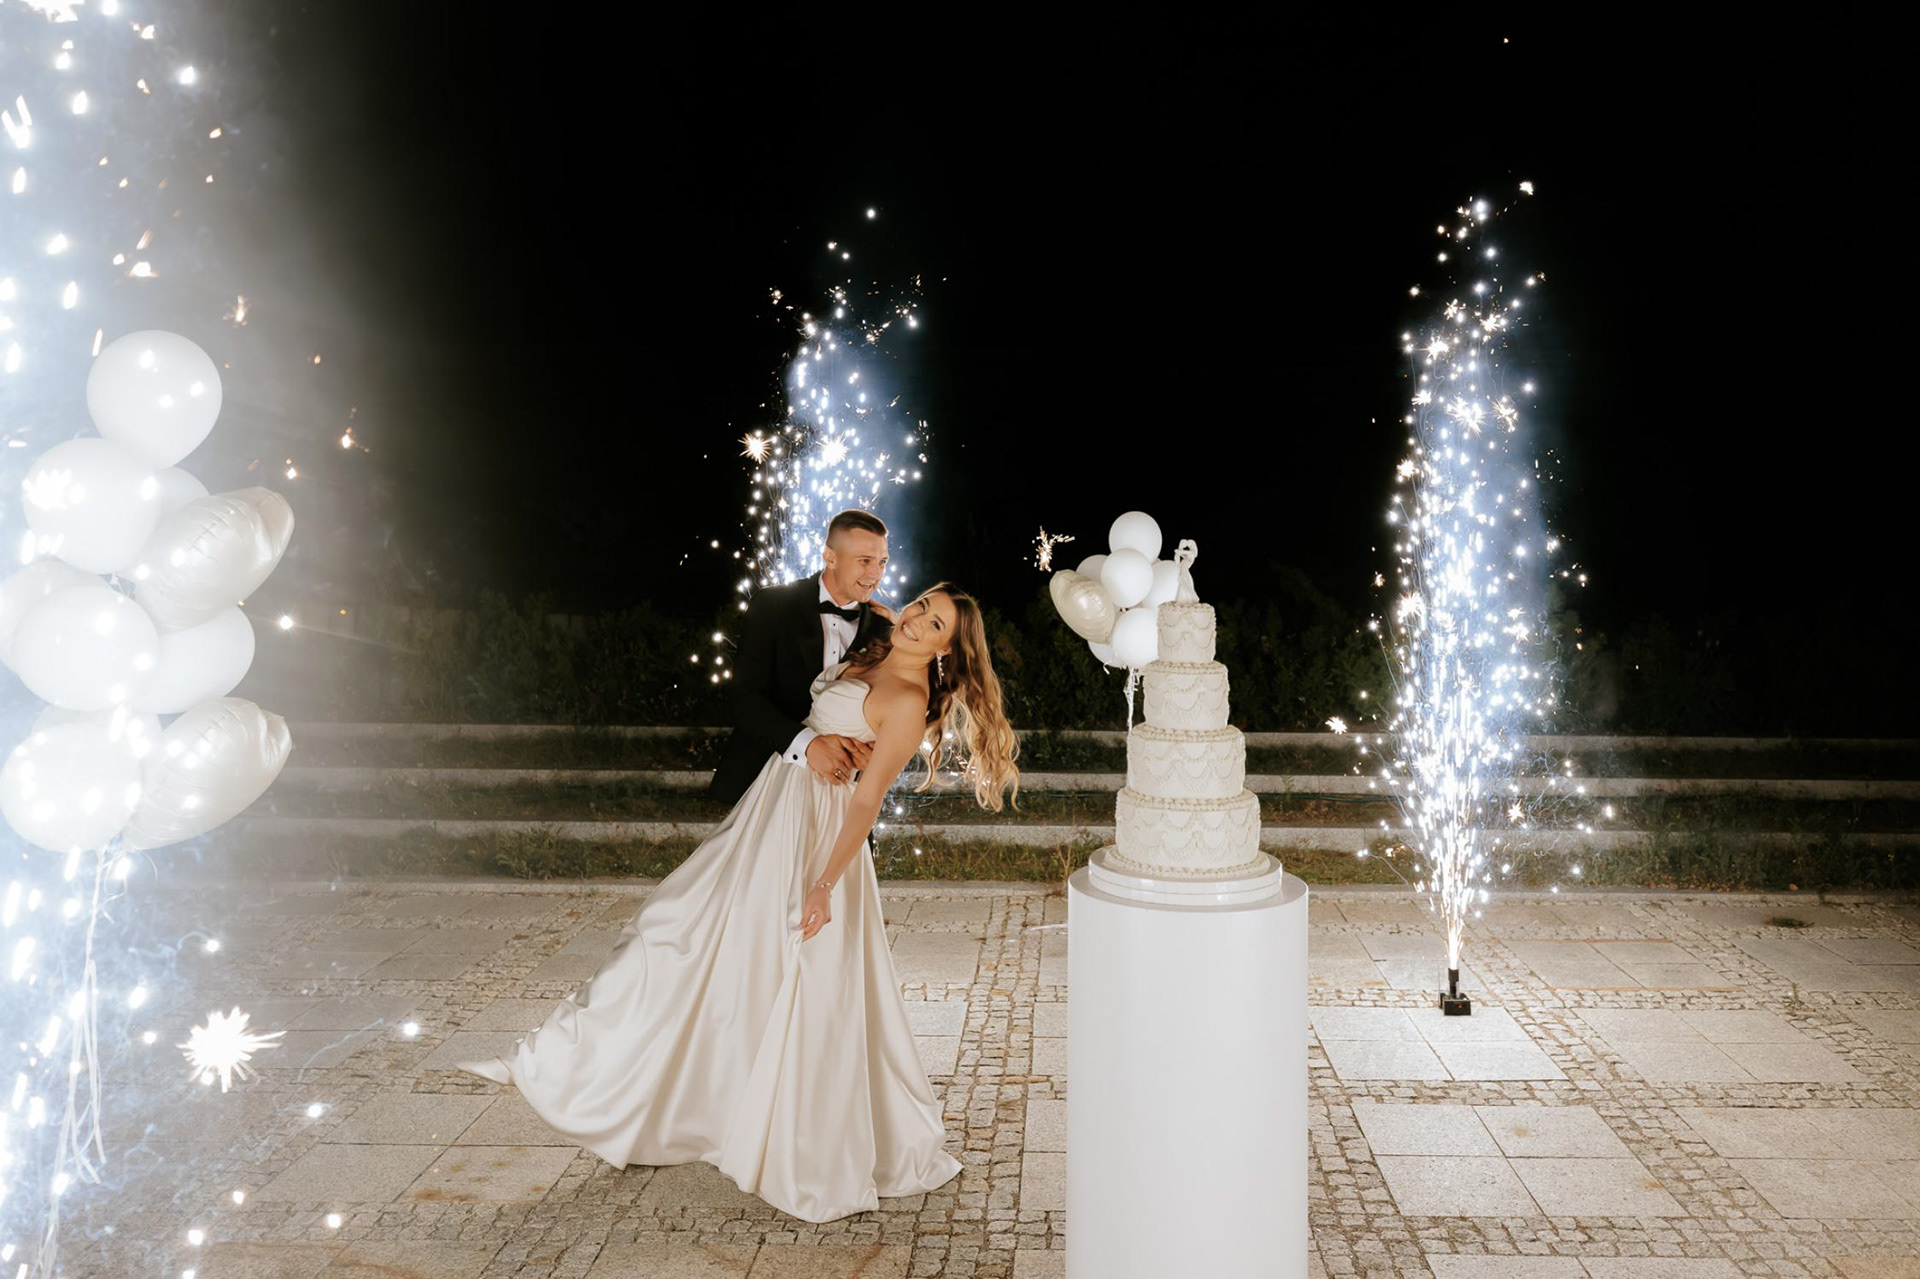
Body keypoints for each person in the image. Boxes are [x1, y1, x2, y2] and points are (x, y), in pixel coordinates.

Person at [460, 583, 1020, 1223]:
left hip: (813, 836)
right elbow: (882, 636)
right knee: (672, 928)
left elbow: (867, 801)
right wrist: (898, 620)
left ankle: (782, 1132)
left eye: (935, 624)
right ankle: (561, 1061)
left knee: (782, 975)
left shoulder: (909, 699)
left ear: (949, 650)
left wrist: (823, 885)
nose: (918, 619)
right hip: (768, 813)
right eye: (920, 605)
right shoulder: (875, 648)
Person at [708, 509, 896, 806]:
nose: (875, 574)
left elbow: (893, 710)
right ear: (830, 557)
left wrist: (877, 752)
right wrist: (808, 745)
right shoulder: (773, 604)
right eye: (864, 561)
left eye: (882, 562)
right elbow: (745, 699)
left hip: (842, 791)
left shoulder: (885, 629)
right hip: (762, 781)